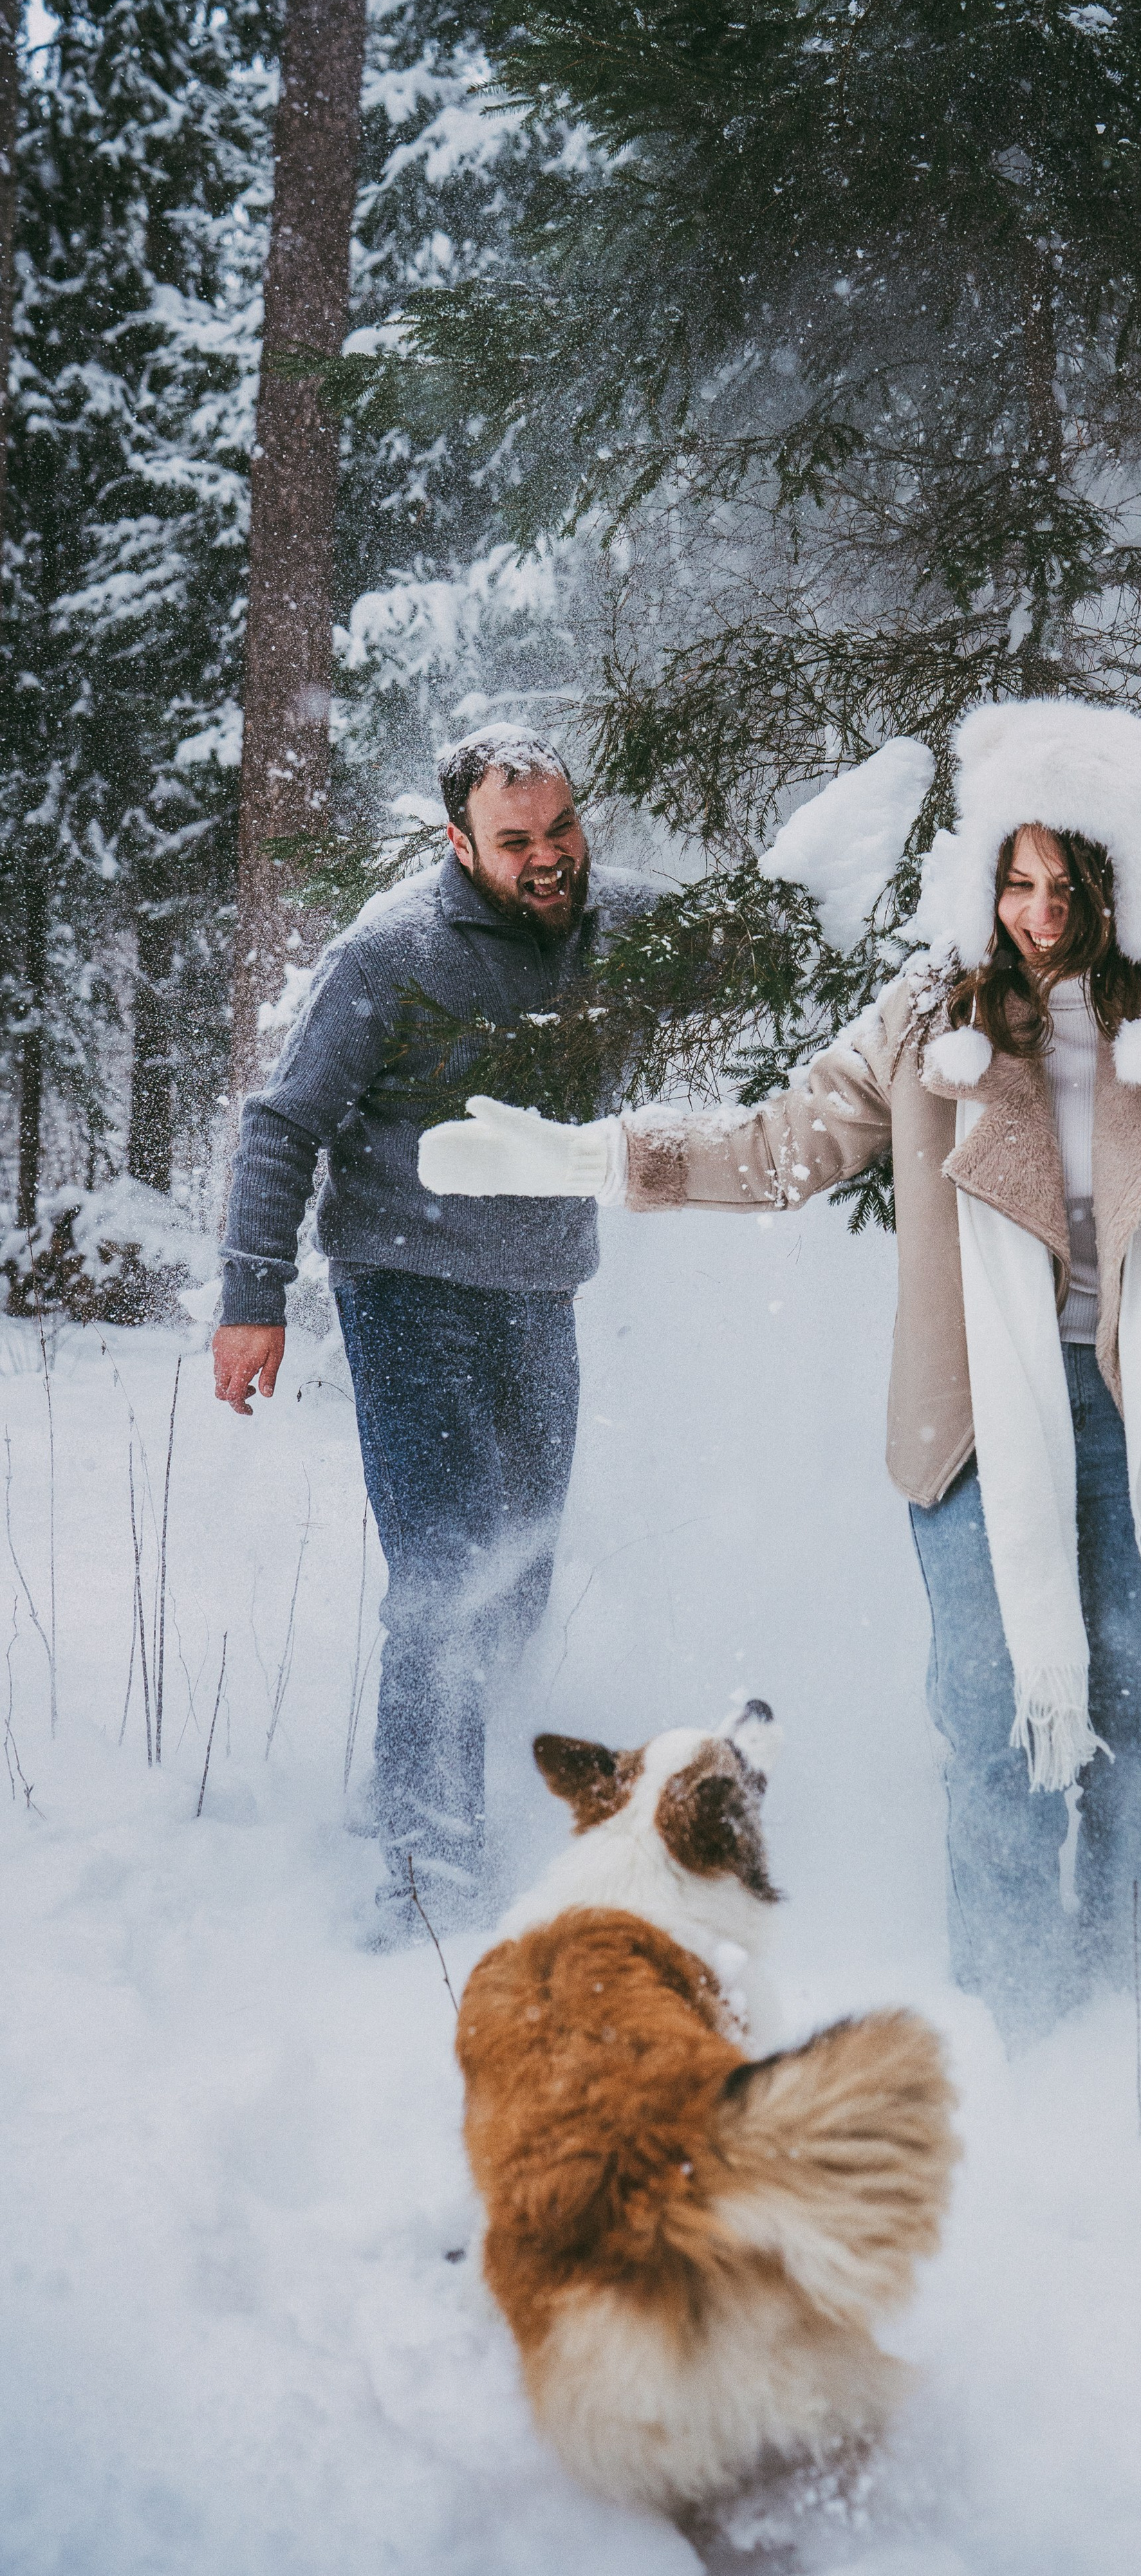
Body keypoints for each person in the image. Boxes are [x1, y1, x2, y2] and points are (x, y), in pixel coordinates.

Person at [418, 699, 1141, 2041]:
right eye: (1016, 881)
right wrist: (594, 1157)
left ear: (1120, 880)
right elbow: (776, 1150)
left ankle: (1129, 2012)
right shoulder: (930, 1020)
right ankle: (1020, 2025)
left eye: (1069, 884)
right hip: (979, 1423)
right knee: (997, 1736)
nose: (1040, 915)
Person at [212, 726, 660, 1944]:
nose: (549, 857)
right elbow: (283, 1124)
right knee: (447, 1576)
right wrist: (251, 1300)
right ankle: (426, 1879)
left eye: (561, 829)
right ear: (459, 843)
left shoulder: (620, 922)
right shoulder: (391, 952)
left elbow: (761, 942)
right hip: (407, 1291)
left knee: (520, 1572)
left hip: (540, 1295)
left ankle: (454, 1800)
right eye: (516, 842)